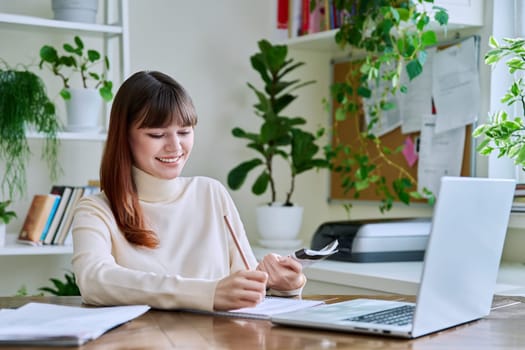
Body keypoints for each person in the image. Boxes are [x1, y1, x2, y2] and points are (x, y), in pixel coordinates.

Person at [71, 70, 306, 311]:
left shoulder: (211, 193)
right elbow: (93, 280)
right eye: (157, 134)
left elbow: (246, 281)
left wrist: (283, 284)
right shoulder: (96, 209)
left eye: (184, 132)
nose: (175, 146)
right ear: (124, 137)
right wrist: (207, 293)